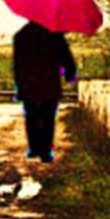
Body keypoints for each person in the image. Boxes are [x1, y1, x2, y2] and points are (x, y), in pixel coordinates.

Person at [12, 19, 77, 162]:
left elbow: (17, 64)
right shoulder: (55, 35)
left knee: (31, 114)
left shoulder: (21, 35)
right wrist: (69, 73)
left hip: (28, 82)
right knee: (48, 117)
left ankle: (34, 148)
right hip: (49, 81)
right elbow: (65, 56)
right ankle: (46, 151)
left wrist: (19, 83)